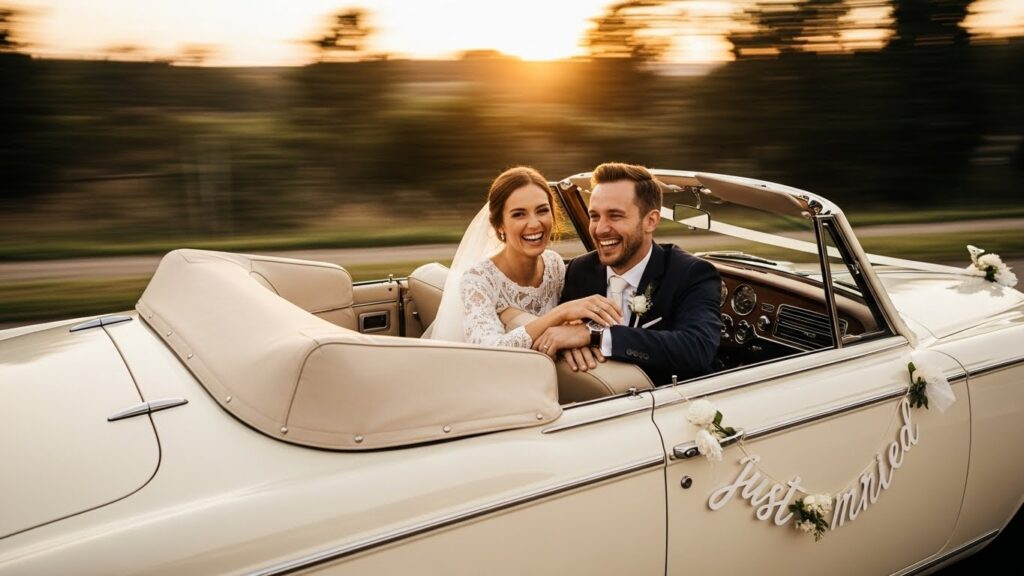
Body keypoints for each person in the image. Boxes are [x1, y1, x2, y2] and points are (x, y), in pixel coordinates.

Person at [532, 162, 721, 384]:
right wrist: (568, 346)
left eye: (615, 216)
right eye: (594, 216)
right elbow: (564, 334)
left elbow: (696, 349)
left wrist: (595, 336)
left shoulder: (691, 273)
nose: (600, 229)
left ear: (650, 221)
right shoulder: (579, 270)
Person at [431, 166, 621, 347]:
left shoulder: (554, 264)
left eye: (542, 211)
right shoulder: (478, 280)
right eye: (519, 214)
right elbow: (489, 349)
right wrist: (561, 313)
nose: (534, 224)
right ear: (499, 224)